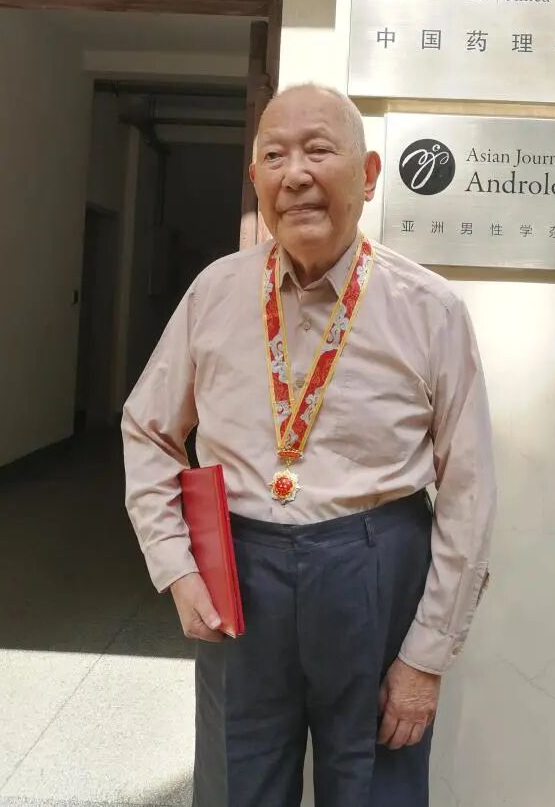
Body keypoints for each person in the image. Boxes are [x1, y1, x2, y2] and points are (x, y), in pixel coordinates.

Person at [122, 84, 496, 807]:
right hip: (240, 570)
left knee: (374, 787)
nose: (295, 174)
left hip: (375, 568)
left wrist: (426, 656)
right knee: (238, 782)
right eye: (274, 156)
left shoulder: (430, 309)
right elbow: (148, 428)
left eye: (319, 150)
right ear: (256, 179)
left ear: (369, 173)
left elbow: (469, 487)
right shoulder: (214, 293)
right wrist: (176, 566)